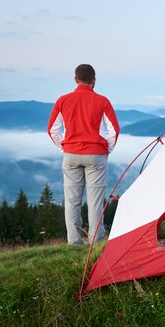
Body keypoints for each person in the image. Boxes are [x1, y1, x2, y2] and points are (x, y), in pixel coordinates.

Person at [47, 64, 120, 245]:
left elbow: (52, 130)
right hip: (96, 155)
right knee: (95, 202)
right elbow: (114, 130)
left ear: (75, 79)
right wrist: (106, 149)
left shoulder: (62, 100)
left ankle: (74, 243)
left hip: (71, 155)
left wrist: (65, 148)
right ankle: (95, 243)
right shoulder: (102, 101)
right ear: (94, 81)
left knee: (72, 201)